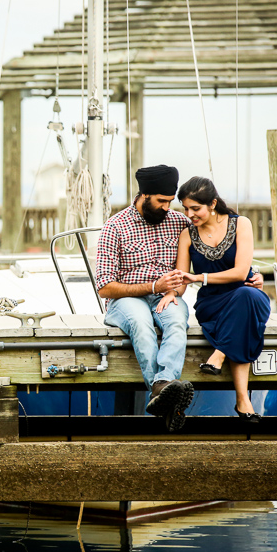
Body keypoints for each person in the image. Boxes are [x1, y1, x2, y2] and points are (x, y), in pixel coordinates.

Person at [96, 165, 194, 432]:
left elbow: (213, 247)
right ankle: (167, 399)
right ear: (144, 195)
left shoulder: (179, 223)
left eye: (170, 202)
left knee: (176, 320)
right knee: (141, 323)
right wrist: (152, 285)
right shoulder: (115, 226)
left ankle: (161, 388)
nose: (166, 207)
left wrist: (249, 275)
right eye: (161, 201)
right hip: (126, 301)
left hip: (167, 296)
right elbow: (104, 286)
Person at [176, 176, 271, 422]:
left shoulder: (241, 224)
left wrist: (199, 278)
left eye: (195, 208)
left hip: (247, 297)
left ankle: (219, 355)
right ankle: (243, 401)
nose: (190, 214)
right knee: (244, 312)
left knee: (246, 294)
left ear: (213, 203)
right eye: (186, 208)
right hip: (213, 304)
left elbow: (241, 273)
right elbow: (182, 279)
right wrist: (168, 294)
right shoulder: (187, 236)